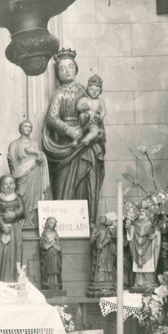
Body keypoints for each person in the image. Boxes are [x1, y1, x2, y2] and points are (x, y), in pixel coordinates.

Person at [42, 49, 105, 222]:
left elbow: (97, 113)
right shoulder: (59, 93)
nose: (67, 71)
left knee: (86, 179)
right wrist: (69, 130)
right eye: (62, 68)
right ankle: (65, 224)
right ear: (57, 73)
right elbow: (51, 119)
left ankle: (87, 223)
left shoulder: (86, 92)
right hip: (65, 144)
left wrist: (96, 123)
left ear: (76, 69)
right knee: (64, 187)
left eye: (70, 66)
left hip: (85, 143)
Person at [7, 120, 50, 228]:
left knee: (34, 198)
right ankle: (21, 222)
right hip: (21, 174)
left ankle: (31, 222)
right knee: (21, 195)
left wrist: (35, 152)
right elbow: (11, 161)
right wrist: (15, 175)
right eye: (25, 126)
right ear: (20, 129)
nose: (28, 128)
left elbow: (40, 159)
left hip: (34, 172)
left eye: (30, 127)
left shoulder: (34, 143)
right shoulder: (14, 144)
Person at [0, 175, 26, 282]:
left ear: (14, 185)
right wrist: (3, 226)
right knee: (1, 253)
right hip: (1, 230)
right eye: (5, 184)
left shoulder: (18, 198)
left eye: (11, 183)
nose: (8, 186)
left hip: (15, 230)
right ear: (1, 185)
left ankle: (13, 280)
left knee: (14, 253)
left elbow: (22, 211)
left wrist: (14, 214)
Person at [127, 208, 161, 293]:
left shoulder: (151, 223)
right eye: (140, 211)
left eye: (143, 211)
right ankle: (139, 283)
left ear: (147, 213)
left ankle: (149, 283)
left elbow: (157, 232)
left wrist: (156, 234)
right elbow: (130, 234)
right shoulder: (135, 224)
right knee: (139, 270)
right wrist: (128, 228)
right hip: (137, 248)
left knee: (148, 265)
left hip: (148, 247)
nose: (141, 213)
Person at [88, 214, 117, 297]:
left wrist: (102, 244)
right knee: (99, 264)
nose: (102, 222)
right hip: (98, 250)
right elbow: (92, 241)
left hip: (106, 250)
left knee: (105, 263)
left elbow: (108, 238)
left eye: (104, 220)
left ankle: (106, 280)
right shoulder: (97, 230)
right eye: (101, 220)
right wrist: (94, 237)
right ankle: (99, 279)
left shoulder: (108, 230)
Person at [76, 74, 106, 148]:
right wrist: (82, 107)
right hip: (83, 121)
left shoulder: (100, 101)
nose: (94, 92)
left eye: (97, 90)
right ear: (87, 89)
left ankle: (86, 139)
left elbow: (103, 111)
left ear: (100, 91)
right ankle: (75, 140)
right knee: (78, 129)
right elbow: (78, 107)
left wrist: (101, 115)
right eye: (92, 89)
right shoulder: (84, 99)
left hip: (93, 123)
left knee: (95, 132)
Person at [39, 217, 62, 290]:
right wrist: (51, 244)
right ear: (47, 223)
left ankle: (55, 283)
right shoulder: (44, 234)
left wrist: (55, 245)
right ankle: (47, 283)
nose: (53, 225)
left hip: (55, 255)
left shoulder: (55, 234)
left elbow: (59, 248)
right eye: (51, 223)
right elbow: (43, 247)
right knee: (48, 269)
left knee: (55, 269)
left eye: (54, 223)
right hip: (48, 255)